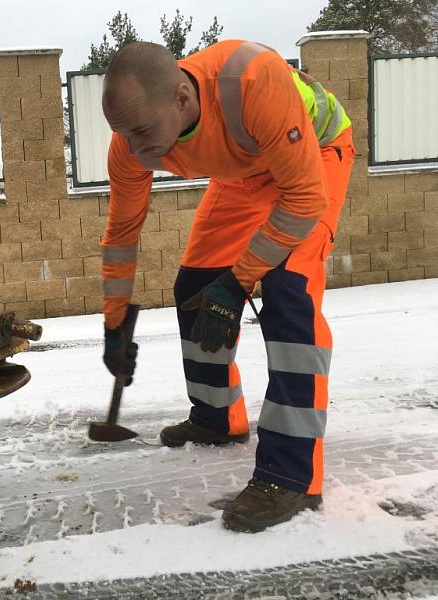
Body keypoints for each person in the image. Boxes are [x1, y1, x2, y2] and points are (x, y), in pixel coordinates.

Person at [100, 40, 355, 533]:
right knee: (195, 285)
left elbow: (303, 201)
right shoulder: (133, 138)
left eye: (142, 133)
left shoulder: (252, 81)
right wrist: (115, 322)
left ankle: (291, 474)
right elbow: (121, 238)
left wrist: (238, 283)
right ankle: (218, 417)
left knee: (288, 294)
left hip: (313, 162)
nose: (134, 150)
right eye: (124, 135)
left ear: (180, 98)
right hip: (245, 172)